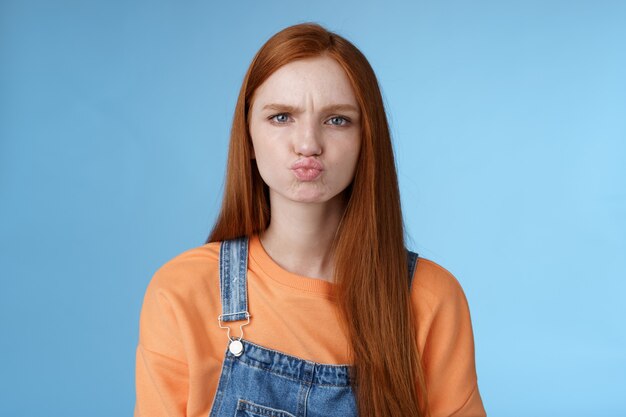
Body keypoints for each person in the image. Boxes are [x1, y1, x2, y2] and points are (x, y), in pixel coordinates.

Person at [134, 22, 486, 417]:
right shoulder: (182, 291)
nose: (308, 144)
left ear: (366, 140)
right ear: (247, 136)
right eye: (282, 117)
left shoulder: (431, 298)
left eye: (337, 120)